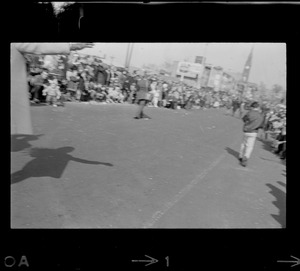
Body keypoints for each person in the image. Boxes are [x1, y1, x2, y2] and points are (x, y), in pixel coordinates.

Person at [238, 101, 264, 167]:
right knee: (250, 146)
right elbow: (261, 125)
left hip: (247, 130)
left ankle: (241, 156)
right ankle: (246, 157)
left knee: (243, 144)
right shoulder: (260, 115)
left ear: (252, 107)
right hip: (254, 132)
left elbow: (244, 119)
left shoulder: (249, 113)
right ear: (258, 107)